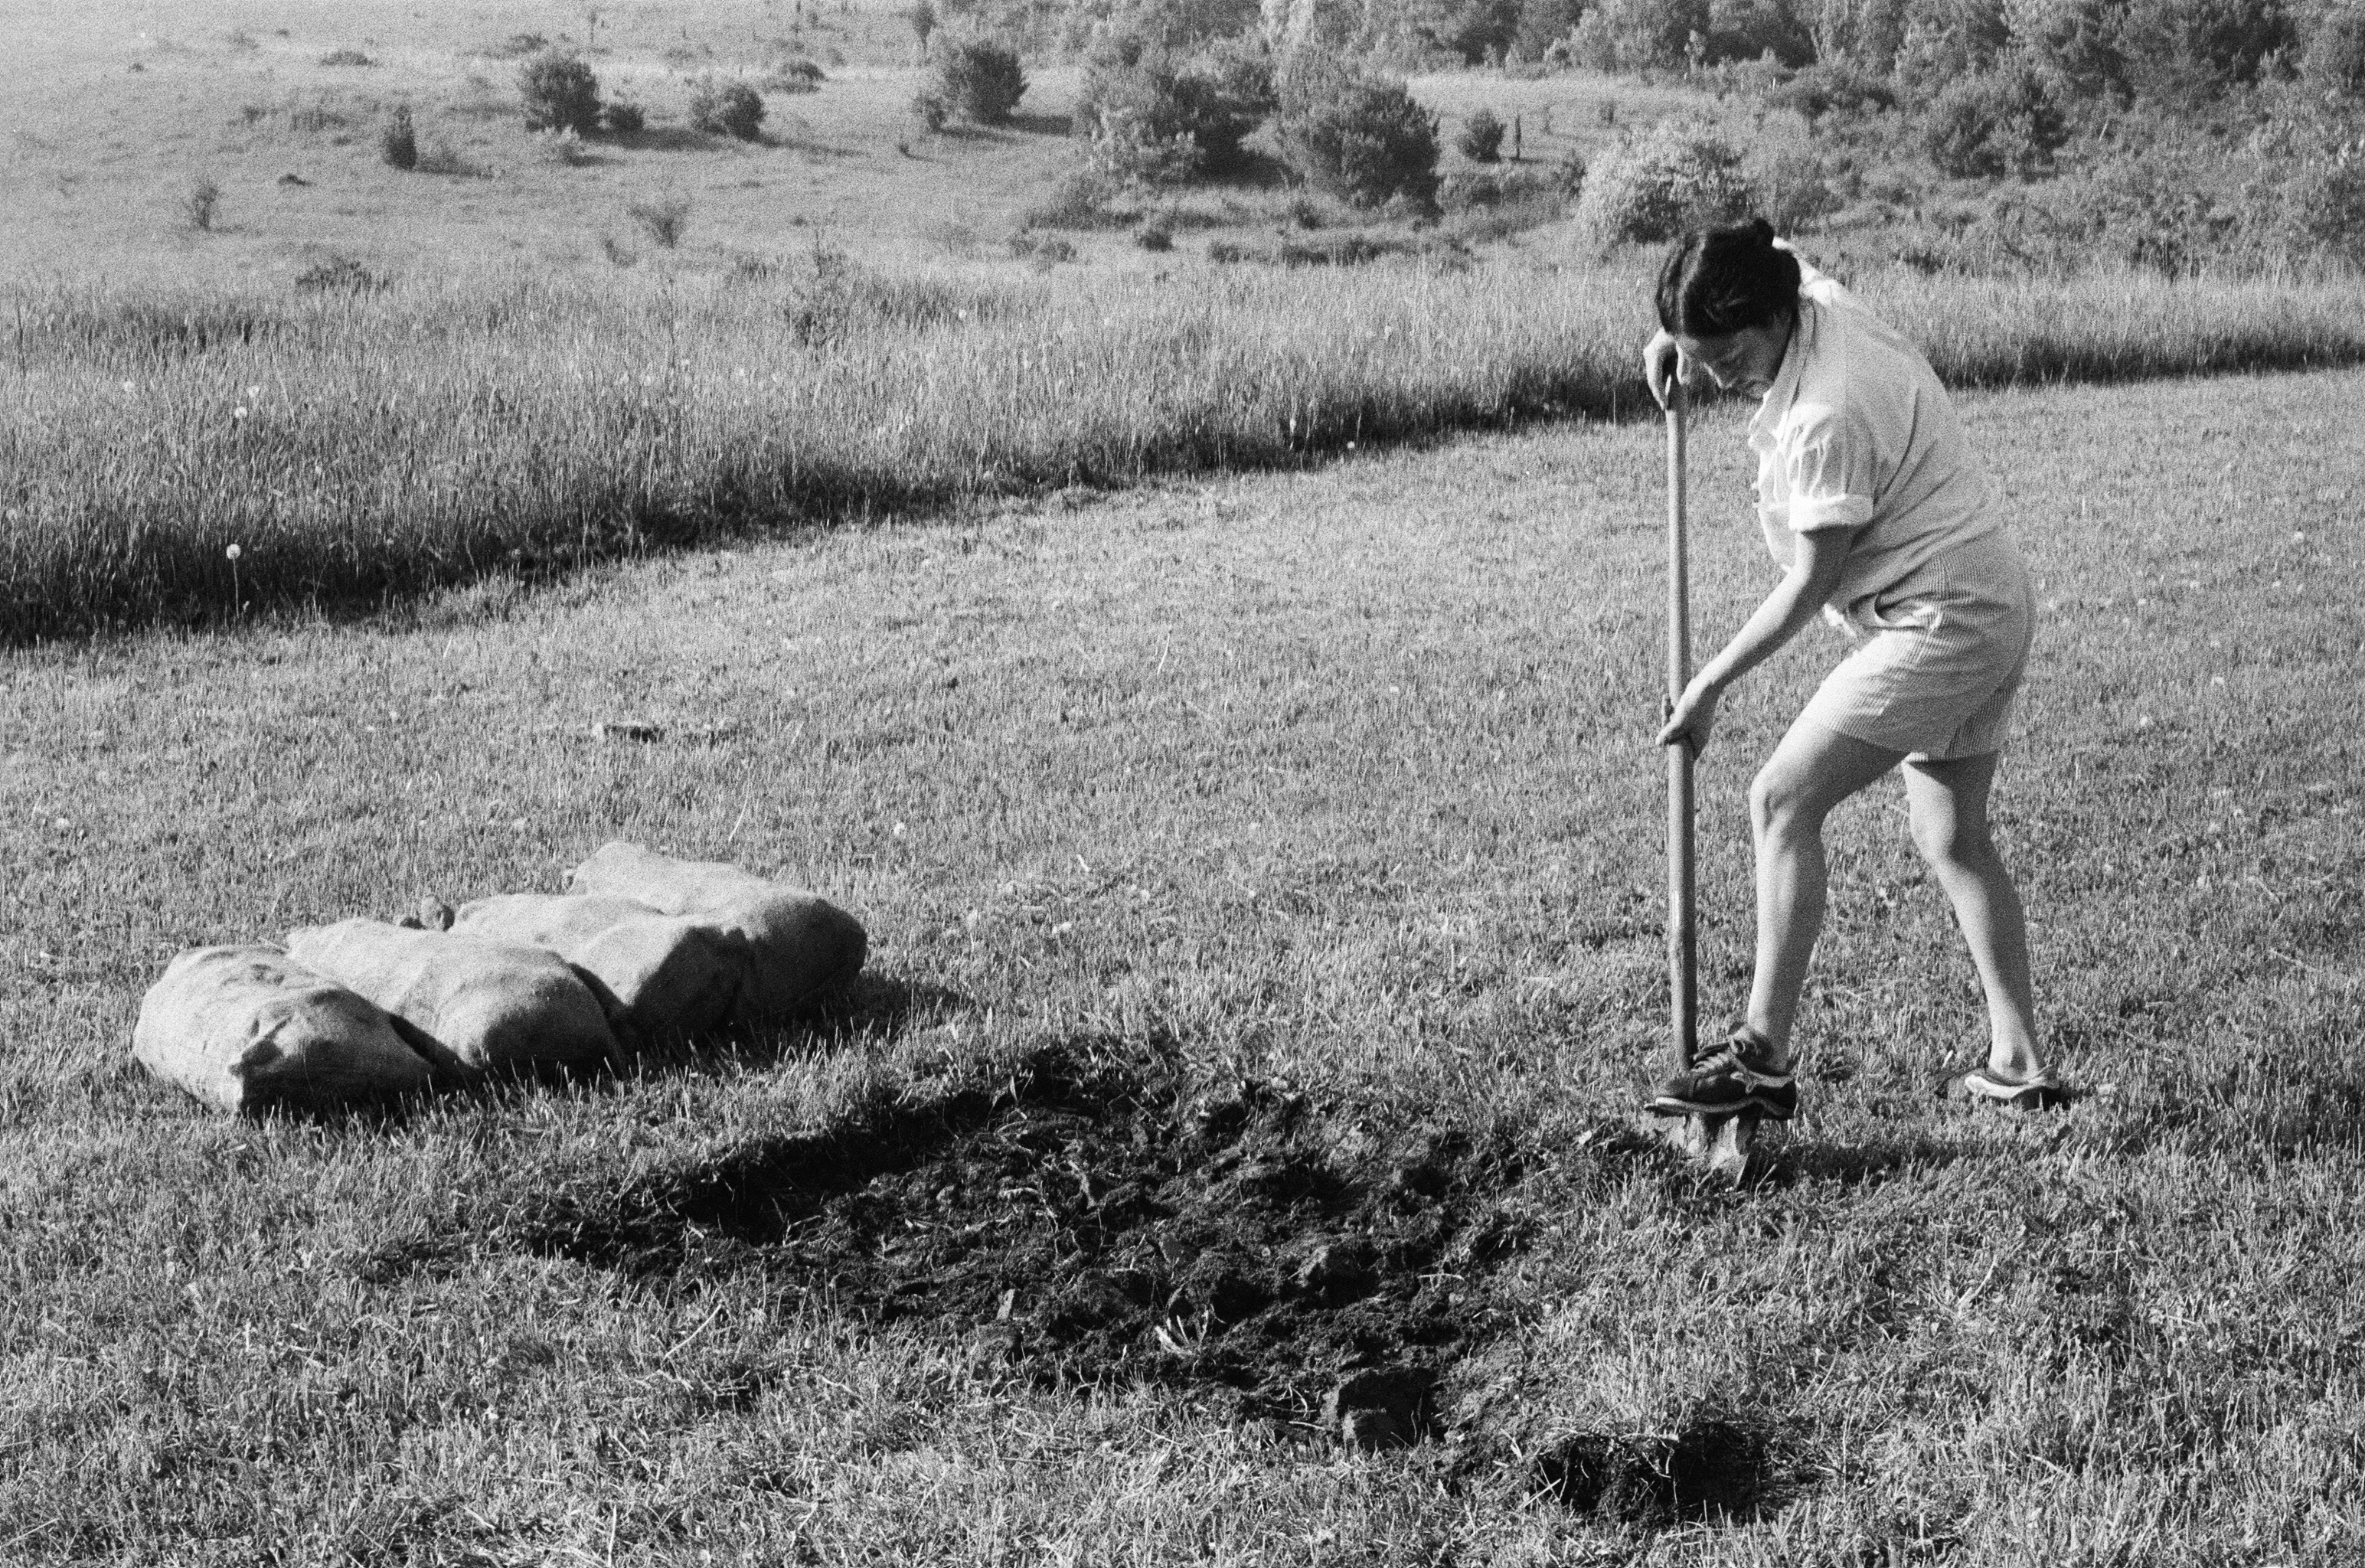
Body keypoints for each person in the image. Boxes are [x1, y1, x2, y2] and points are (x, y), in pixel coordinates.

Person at [1638, 218, 2065, 1120]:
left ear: (1772, 312)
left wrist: (1708, 684)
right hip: (1980, 591)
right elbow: (1754, 244)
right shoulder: (1808, 294)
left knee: (1780, 798)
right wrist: (1674, 336)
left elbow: (1809, 580)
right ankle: (2019, 1064)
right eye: (1699, 358)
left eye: (1727, 355)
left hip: (1941, 617)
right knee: (1952, 837)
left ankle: (1760, 1058)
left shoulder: (1827, 408)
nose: (1715, 379)